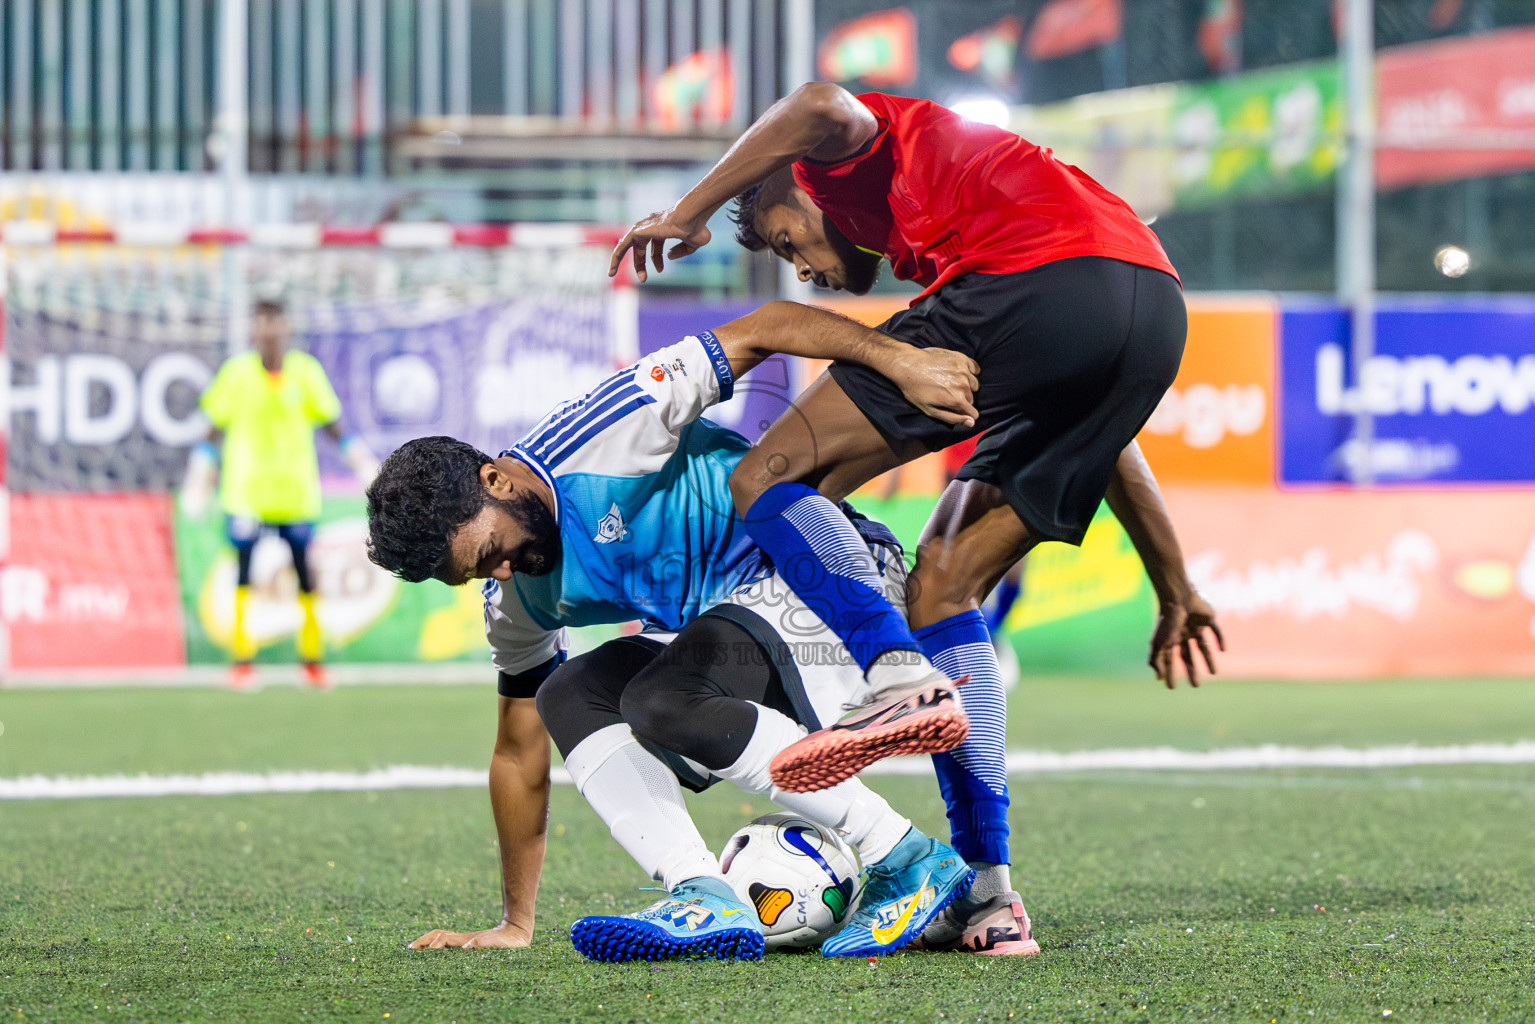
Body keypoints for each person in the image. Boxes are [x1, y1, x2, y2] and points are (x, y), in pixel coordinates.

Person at [610, 82, 1224, 949]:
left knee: (767, 477)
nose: (808, 269)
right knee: (942, 584)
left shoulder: (847, 169)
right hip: (1151, 317)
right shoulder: (984, 215)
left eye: (789, 242)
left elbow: (819, 103)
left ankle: (895, 678)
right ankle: (989, 895)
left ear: (799, 187)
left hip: (1032, 284)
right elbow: (1111, 434)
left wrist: (688, 209)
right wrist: (1176, 587)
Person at [366, 321, 984, 961]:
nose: (498, 573)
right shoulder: (515, 599)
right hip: (731, 635)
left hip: (836, 577)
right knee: (569, 692)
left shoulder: (607, 429)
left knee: (665, 694)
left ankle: (909, 857)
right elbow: (519, 753)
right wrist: (514, 922)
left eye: (491, 551)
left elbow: (768, 323)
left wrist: (901, 360)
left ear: (495, 480)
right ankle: (703, 894)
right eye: (475, 575)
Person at [183, 298, 378, 689]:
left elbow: (332, 424)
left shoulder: (305, 373)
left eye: (275, 321)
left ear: (285, 327)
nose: (269, 330)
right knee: (242, 574)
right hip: (246, 494)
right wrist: (198, 474)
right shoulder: (236, 374)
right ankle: (241, 660)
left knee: (306, 575)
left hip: (295, 494)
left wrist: (361, 462)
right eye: (261, 322)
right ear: (253, 330)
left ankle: (311, 660)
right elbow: (213, 430)